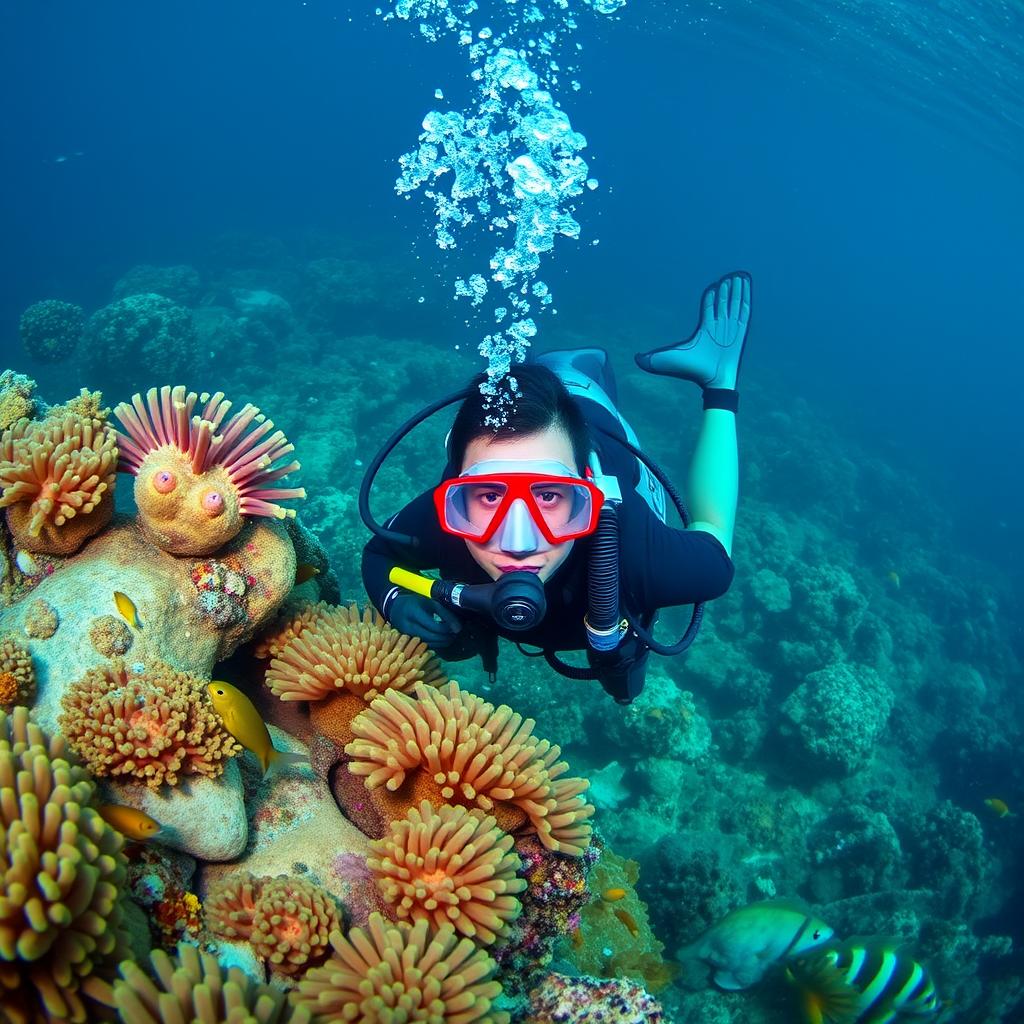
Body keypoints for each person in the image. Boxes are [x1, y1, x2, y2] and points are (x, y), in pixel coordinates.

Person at [360, 272, 750, 703]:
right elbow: (379, 554)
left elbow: (713, 539)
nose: (519, 543)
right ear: (456, 489)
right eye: (489, 495)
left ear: (588, 492)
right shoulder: (443, 521)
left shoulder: (637, 555)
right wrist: (394, 599)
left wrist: (721, 390)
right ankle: (534, 372)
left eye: (548, 495)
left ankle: (577, 366)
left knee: (625, 678)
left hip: (593, 413)